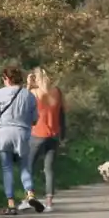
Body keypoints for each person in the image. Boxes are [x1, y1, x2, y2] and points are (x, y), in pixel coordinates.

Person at [0, 66, 44, 215]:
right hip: (22, 135)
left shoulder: (0, 93)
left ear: (6, 78)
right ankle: (30, 194)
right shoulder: (29, 96)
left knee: (7, 169)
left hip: (3, 134)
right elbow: (34, 120)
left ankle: (11, 204)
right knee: (25, 167)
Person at [28, 67, 67, 209]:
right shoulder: (57, 92)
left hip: (37, 133)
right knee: (49, 169)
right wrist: (63, 135)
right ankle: (49, 202)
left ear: (36, 78)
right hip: (54, 134)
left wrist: (28, 85)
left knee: (29, 167)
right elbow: (62, 114)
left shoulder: (34, 93)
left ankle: (29, 197)